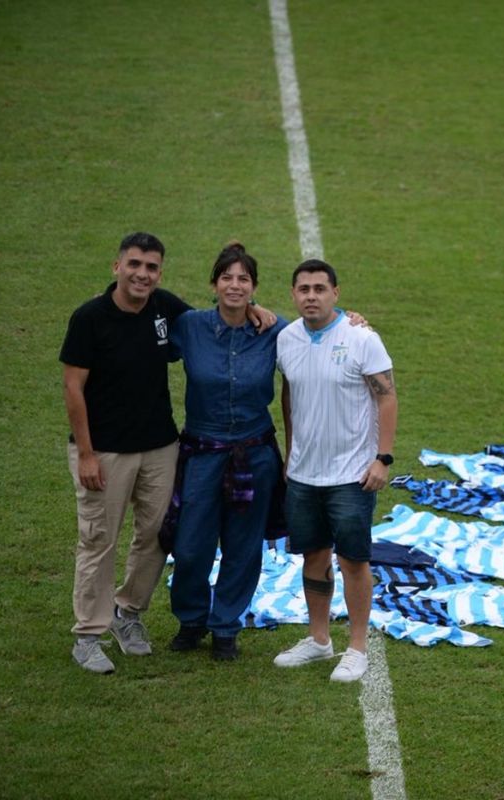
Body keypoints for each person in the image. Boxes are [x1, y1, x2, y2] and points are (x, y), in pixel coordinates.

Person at [60, 232, 276, 674]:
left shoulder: (165, 309)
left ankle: (130, 614)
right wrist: (85, 453)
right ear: (116, 266)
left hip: (163, 448)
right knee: (101, 539)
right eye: (135, 265)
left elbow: (238, 318)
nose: (142, 274)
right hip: (109, 450)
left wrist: (254, 308)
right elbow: (72, 386)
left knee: (158, 537)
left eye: (152, 268)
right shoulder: (93, 318)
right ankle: (88, 633)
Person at [273, 258, 398, 683]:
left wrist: (383, 458)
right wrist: (292, 453)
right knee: (313, 554)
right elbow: (289, 396)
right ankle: (319, 639)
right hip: (304, 474)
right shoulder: (286, 339)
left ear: (335, 294)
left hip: (352, 474)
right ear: (293, 294)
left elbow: (387, 397)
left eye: (319, 289)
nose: (311, 296)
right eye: (304, 289)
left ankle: (358, 646)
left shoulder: (362, 339)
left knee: (353, 560)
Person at [164, 243, 288, 661]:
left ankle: (225, 628)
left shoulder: (275, 330)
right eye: (226, 277)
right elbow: (148, 311)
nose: (235, 286)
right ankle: (192, 619)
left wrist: (353, 321)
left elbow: (321, 333)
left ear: (254, 287)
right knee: (190, 545)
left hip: (254, 455)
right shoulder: (189, 326)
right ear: (214, 283)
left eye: (243, 279)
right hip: (201, 453)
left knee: (243, 546)